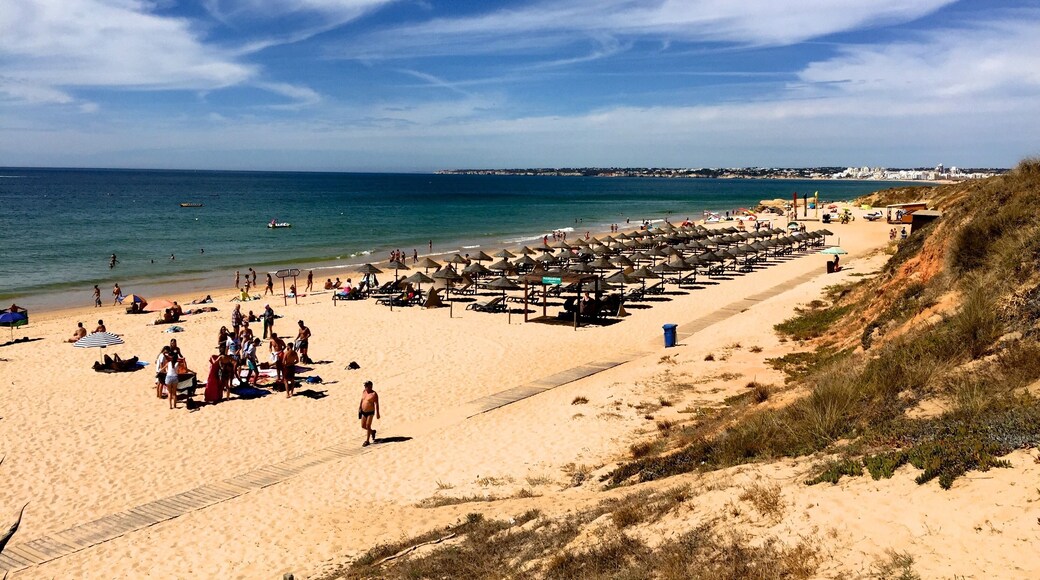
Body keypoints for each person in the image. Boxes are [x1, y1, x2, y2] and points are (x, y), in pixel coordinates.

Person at [358, 381, 380, 446]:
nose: (365, 387)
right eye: (365, 386)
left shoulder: (374, 394)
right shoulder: (364, 391)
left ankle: (367, 441)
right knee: (363, 426)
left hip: (370, 412)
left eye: (366, 386)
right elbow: (362, 400)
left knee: (368, 425)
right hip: (363, 411)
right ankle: (372, 432)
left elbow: (376, 404)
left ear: (370, 386)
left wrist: (377, 413)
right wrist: (359, 408)